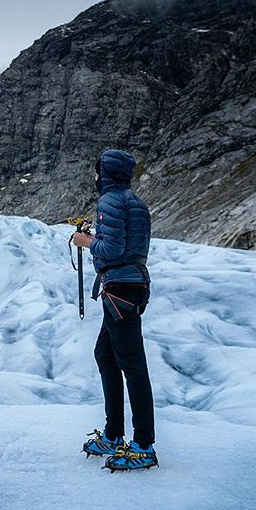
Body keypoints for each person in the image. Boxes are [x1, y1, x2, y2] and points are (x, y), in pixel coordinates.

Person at [71, 148, 158, 471]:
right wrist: (98, 236)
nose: (94, 178)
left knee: (133, 366)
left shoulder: (110, 201)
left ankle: (143, 445)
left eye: (97, 172)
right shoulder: (136, 202)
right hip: (131, 286)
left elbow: (113, 249)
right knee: (106, 355)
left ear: (105, 173)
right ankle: (113, 434)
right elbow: (128, 245)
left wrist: (85, 241)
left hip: (119, 289)